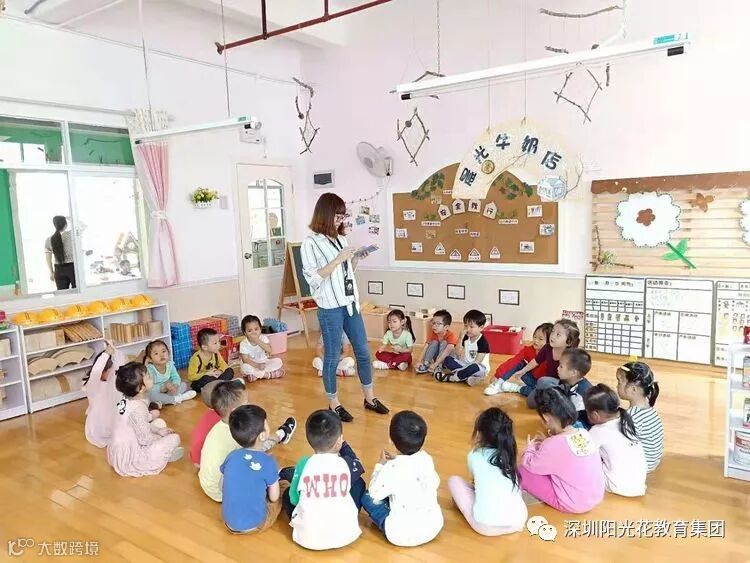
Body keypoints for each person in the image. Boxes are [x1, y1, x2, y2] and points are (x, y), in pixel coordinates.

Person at [300, 192, 389, 422]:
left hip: (350, 304)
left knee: (363, 351)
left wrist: (356, 259)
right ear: (326, 214)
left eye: (343, 216)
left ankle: (370, 398)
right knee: (332, 356)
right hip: (330, 307)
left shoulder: (341, 239)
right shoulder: (310, 243)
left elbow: (345, 273)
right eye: (337, 216)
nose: (340, 220)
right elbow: (313, 279)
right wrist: (338, 259)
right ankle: (334, 403)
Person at [199, 381, 296, 502]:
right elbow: (257, 448)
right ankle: (281, 435)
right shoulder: (239, 431)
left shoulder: (221, 427)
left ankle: (281, 435)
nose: (250, 404)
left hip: (208, 484)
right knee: (284, 475)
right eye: (246, 402)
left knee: (257, 444)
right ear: (235, 410)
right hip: (224, 492)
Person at [281, 409, 362, 550]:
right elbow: (358, 465)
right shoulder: (345, 463)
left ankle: (284, 472)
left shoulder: (304, 463)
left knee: (287, 494)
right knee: (359, 484)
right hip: (347, 535)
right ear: (339, 441)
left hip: (308, 538)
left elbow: (294, 499)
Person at [361, 411, 443, 547]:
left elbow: (374, 493)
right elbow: (435, 482)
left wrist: (380, 465)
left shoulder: (392, 467)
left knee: (367, 497)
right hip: (433, 526)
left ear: (391, 441)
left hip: (400, 534)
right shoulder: (426, 459)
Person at [518, 387, 605, 513]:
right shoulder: (583, 432)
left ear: (546, 418)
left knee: (522, 471)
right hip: (595, 497)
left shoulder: (552, 444)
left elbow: (530, 465)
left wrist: (530, 447)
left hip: (574, 504)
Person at [448, 407, 527, 536]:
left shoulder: (474, 455)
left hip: (486, 526)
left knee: (454, 481)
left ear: (479, 434)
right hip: (518, 522)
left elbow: (474, 482)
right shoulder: (509, 454)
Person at [106, 362, 182, 477]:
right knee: (175, 438)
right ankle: (164, 455)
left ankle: (164, 451)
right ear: (141, 388)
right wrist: (161, 436)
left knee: (160, 423)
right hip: (133, 454)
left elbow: (136, 424)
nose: (152, 378)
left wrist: (158, 430)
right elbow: (145, 439)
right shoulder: (138, 408)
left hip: (120, 449)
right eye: (149, 377)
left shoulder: (125, 400)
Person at [221, 405, 282, 534]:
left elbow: (221, 485)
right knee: (283, 486)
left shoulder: (231, 456)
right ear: (262, 436)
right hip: (255, 524)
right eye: (266, 424)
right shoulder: (268, 462)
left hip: (228, 522)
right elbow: (274, 497)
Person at [585, 384, 647, 497]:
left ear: (595, 415)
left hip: (617, 486)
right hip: (639, 485)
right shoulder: (626, 420)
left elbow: (583, 453)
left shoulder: (598, 430)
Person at [497, 319, 580, 395]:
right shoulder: (547, 348)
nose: (553, 336)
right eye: (553, 331)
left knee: (544, 394)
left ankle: (518, 388)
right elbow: (536, 361)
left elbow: (572, 380)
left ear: (568, 342)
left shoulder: (571, 356)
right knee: (523, 367)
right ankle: (498, 383)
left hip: (556, 388)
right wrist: (523, 371)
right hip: (541, 383)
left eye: (558, 334)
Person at [526, 348, 593, 426]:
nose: (557, 368)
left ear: (573, 372)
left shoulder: (579, 394)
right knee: (543, 382)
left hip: (578, 424)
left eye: (561, 366)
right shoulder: (571, 380)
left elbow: (571, 419)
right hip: (567, 409)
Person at [616, 362, 664, 471]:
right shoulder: (649, 409)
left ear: (633, 389)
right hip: (652, 462)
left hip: (640, 466)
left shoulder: (631, 416)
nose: (616, 386)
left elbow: (621, 445)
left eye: (619, 382)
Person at [83, 341, 132, 448]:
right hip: (100, 427)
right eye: (110, 371)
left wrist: (114, 351)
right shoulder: (94, 385)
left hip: (115, 421)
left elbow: (120, 365)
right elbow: (96, 372)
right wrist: (106, 354)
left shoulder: (114, 383)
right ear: (103, 370)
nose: (113, 374)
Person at [484, 322, 553, 396]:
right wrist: (498, 376)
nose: (536, 340)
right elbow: (513, 361)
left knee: (541, 394)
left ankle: (516, 388)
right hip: (531, 379)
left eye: (540, 339)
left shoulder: (551, 356)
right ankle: (498, 383)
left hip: (543, 385)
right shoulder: (529, 350)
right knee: (519, 363)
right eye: (535, 337)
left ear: (550, 342)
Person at [437, 309, 491, 385]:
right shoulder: (466, 337)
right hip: (465, 364)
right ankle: (467, 377)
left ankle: (452, 378)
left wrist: (465, 369)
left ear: (481, 327)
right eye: (466, 326)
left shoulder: (482, 342)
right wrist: (460, 337)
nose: (467, 329)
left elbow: (477, 361)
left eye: (471, 327)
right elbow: (457, 353)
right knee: (447, 360)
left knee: (473, 367)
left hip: (479, 368)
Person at [145, 340, 196, 407]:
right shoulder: (150, 369)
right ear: (150, 359)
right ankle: (177, 398)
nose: (161, 355)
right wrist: (163, 387)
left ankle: (166, 400)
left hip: (169, 391)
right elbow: (149, 387)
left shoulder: (170, 365)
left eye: (164, 351)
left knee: (183, 384)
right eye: (156, 353)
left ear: (168, 353)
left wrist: (175, 385)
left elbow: (176, 377)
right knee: (151, 395)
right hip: (157, 392)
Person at [187, 328, 235, 392]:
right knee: (206, 379)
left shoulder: (216, 353)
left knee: (230, 371)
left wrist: (220, 371)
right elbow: (191, 377)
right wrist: (206, 374)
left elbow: (224, 365)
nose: (219, 344)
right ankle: (220, 384)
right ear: (204, 347)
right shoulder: (196, 358)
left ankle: (217, 385)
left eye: (219, 341)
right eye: (215, 343)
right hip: (203, 379)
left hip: (215, 376)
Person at [239, 315, 284, 381]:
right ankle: (268, 375)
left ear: (260, 329)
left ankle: (255, 375)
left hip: (264, 362)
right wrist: (257, 365)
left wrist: (257, 340)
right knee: (244, 368)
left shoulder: (263, 338)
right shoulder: (243, 343)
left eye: (256, 329)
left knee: (278, 361)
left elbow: (269, 350)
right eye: (250, 331)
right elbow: (245, 360)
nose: (254, 332)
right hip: (252, 364)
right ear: (245, 333)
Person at [415, 310, 458, 378]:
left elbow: (447, 352)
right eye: (433, 323)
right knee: (434, 342)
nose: (434, 326)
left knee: (444, 342)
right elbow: (426, 347)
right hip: (438, 359)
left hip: (447, 359)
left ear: (446, 327)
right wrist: (419, 361)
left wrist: (436, 364)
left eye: (438, 324)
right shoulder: (433, 333)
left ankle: (439, 366)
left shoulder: (451, 336)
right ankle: (426, 364)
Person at [45, 215, 76, 290]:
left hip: (58, 269)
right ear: (65, 225)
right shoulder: (71, 234)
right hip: (72, 268)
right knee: (77, 293)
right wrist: (71, 219)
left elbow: (48, 258)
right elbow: (83, 226)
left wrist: (51, 272)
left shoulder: (49, 239)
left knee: (62, 295)